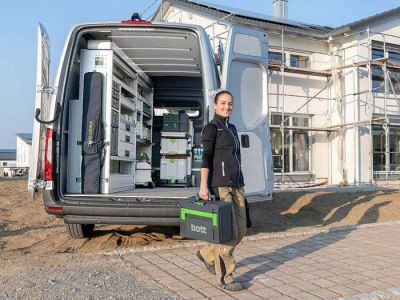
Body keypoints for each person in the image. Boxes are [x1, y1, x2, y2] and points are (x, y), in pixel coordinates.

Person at [197, 90, 246, 292]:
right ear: (216, 105)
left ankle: (206, 253)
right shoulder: (212, 128)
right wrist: (203, 186)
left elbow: (236, 158)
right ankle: (225, 278)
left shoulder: (232, 128)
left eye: (230, 103)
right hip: (220, 185)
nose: (227, 106)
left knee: (241, 230)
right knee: (228, 234)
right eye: (223, 103)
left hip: (237, 185)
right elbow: (206, 158)